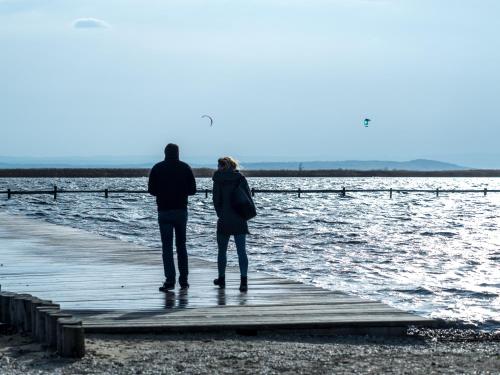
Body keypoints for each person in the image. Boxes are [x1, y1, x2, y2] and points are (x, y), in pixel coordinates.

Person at [148, 143, 196, 291]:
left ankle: (170, 281)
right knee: (181, 246)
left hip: (164, 210)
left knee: (167, 248)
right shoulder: (185, 167)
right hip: (181, 210)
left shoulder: (157, 168)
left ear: (165, 153)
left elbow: (151, 190)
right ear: (178, 153)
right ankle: (184, 281)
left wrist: (163, 193)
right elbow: (193, 190)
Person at [212, 157, 256, 292]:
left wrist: (221, 213)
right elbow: (248, 198)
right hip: (240, 218)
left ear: (221, 166)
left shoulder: (218, 179)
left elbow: (216, 200)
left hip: (224, 219)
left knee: (222, 251)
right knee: (241, 251)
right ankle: (243, 281)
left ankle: (222, 279)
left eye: (218, 164)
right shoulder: (240, 178)